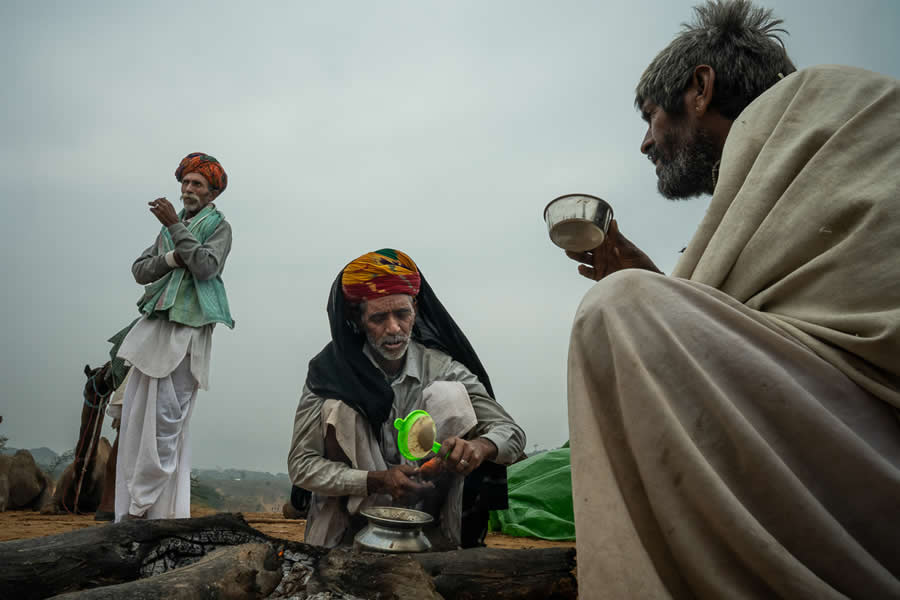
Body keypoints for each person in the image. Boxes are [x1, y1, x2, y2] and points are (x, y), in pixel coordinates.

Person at [564, 1, 900, 598]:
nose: (645, 143)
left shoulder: (815, 108)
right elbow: (768, 325)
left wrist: (650, 294)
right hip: (854, 446)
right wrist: (671, 290)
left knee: (618, 310)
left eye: (649, 118)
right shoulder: (801, 151)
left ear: (699, 87)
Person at [288, 249, 525, 548]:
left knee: (449, 395)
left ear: (415, 308)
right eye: (378, 318)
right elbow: (301, 465)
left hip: (427, 527)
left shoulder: (443, 369)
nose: (394, 329)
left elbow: (513, 434)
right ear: (357, 320)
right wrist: (376, 480)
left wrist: (479, 447)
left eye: (402, 314)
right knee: (339, 408)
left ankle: (445, 543)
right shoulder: (329, 375)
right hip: (347, 529)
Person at [114, 152, 234, 521]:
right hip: (156, 327)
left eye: (197, 184)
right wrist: (171, 258)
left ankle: (147, 508)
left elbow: (205, 266)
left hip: (187, 333)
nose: (188, 189)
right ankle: (129, 510)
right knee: (135, 418)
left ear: (212, 194)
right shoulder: (169, 228)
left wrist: (176, 231)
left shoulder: (219, 227)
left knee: (166, 423)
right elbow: (140, 270)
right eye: (185, 182)